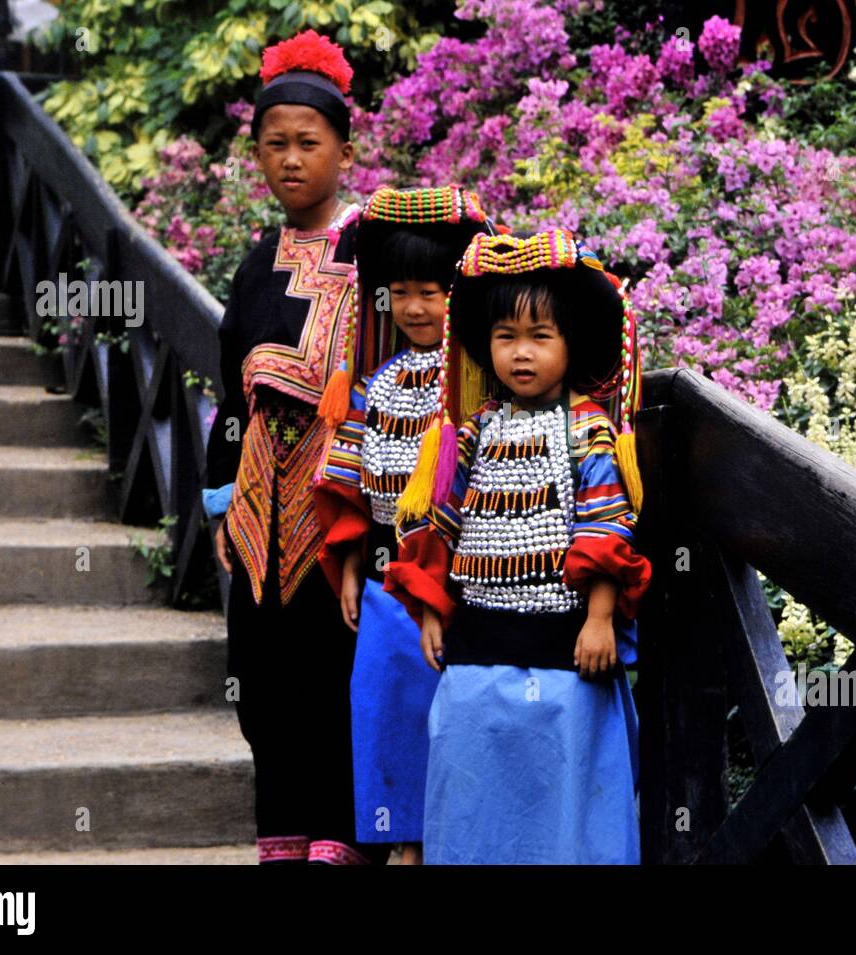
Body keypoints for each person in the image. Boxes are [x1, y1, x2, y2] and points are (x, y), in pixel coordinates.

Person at [384, 228, 652, 864]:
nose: (521, 354)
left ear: (571, 344)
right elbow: (439, 525)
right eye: (506, 338)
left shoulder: (589, 429)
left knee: (564, 791)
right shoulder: (472, 432)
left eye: (540, 337)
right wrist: (428, 608)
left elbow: (607, 527)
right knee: (472, 782)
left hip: (567, 648)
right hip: (477, 645)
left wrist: (599, 617)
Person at [201, 29, 385, 866]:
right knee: (264, 677)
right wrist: (217, 501)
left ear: (345, 148)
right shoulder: (252, 265)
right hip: (258, 506)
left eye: (308, 143)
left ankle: (338, 835)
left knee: (333, 675)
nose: (290, 160)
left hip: (341, 503)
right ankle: (280, 833)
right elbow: (228, 396)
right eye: (274, 145)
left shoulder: (373, 251)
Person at [312, 184, 495, 866]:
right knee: (391, 709)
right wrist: (352, 565)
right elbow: (349, 481)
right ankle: (403, 845)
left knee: (459, 722)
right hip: (391, 584)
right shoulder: (376, 384)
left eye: (432, 290)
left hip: (462, 579)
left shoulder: (479, 385)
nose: (415, 307)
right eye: (401, 291)